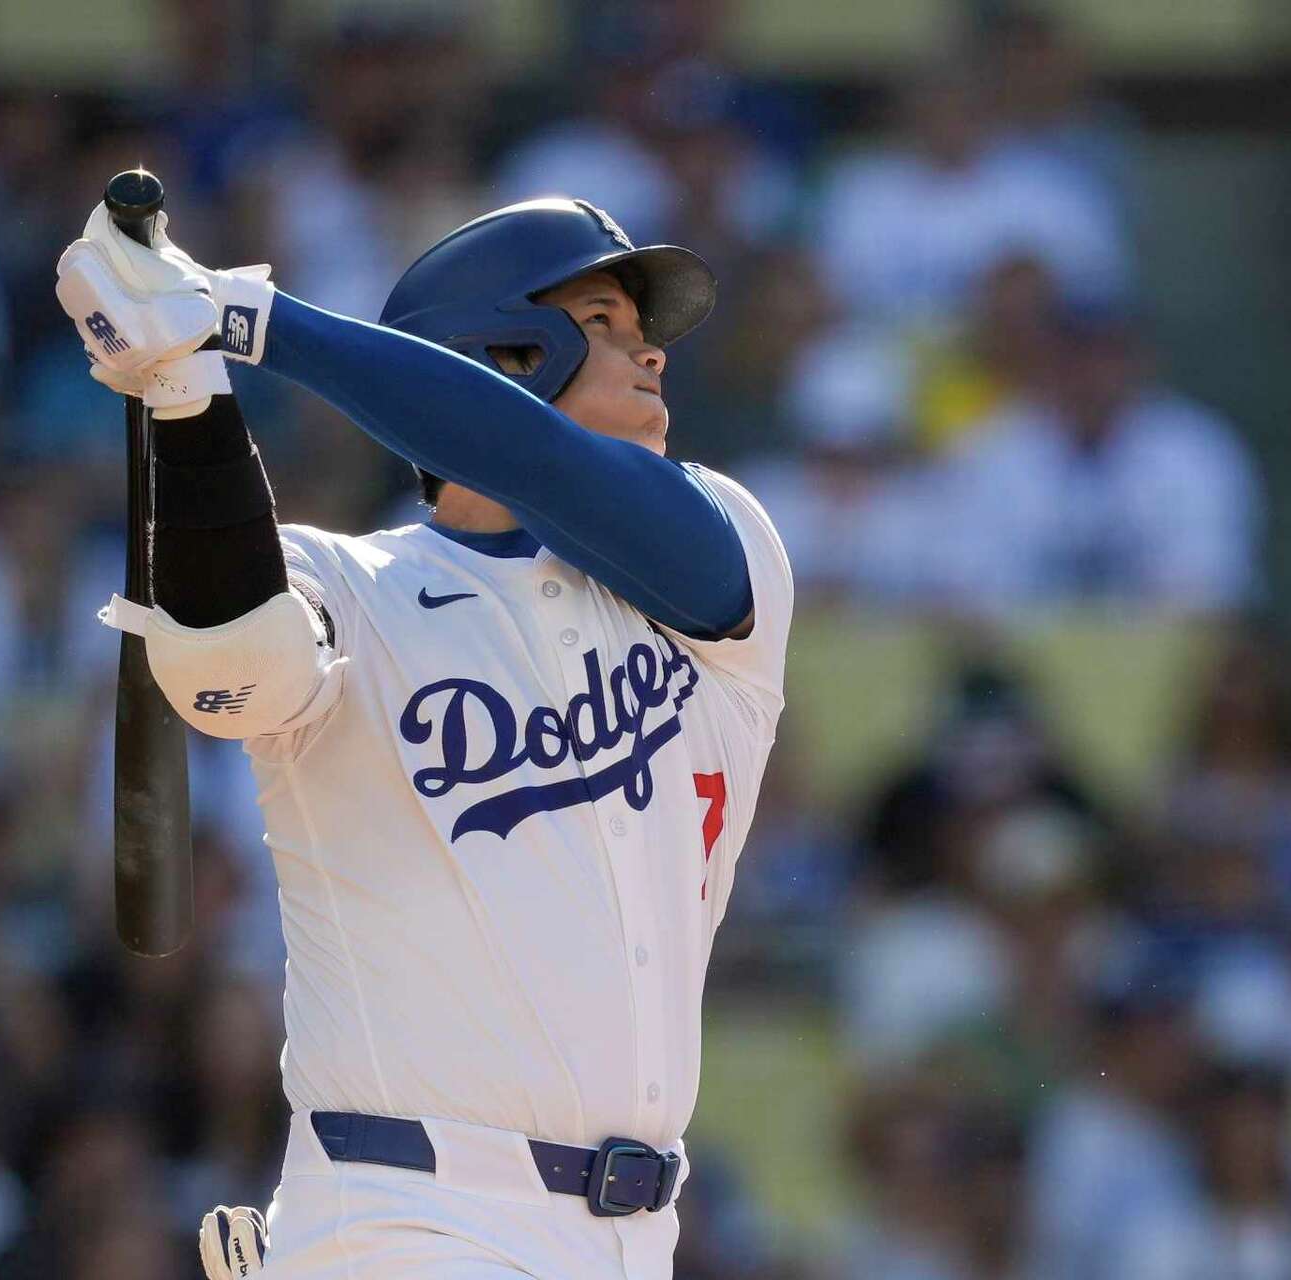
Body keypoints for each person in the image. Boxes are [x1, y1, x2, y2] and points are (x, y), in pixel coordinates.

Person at [54, 194, 793, 1279]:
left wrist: (246, 316)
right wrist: (185, 388)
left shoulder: (723, 539)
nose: (653, 356)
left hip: (638, 1235)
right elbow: (233, 654)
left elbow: (539, 461)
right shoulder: (348, 587)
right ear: (503, 349)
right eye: (605, 319)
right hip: (408, 1214)